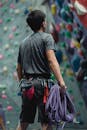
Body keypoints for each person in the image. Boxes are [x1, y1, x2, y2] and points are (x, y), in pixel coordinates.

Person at [16, 10, 66, 130]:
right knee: (46, 122)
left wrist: (23, 83)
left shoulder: (23, 43)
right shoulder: (47, 38)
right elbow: (52, 60)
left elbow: (18, 68)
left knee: (23, 122)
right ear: (43, 23)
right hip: (43, 86)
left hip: (27, 85)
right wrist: (61, 82)